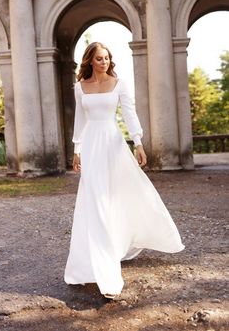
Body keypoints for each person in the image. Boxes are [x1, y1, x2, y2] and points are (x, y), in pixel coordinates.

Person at [64, 42, 184, 299]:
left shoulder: (119, 83)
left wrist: (138, 143)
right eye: (99, 58)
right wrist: (77, 149)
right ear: (90, 61)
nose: (104, 62)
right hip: (92, 148)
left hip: (113, 145)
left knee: (118, 197)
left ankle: (116, 247)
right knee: (94, 201)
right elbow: (80, 120)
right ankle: (95, 265)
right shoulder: (80, 87)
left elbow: (130, 114)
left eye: (107, 58)